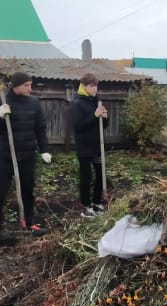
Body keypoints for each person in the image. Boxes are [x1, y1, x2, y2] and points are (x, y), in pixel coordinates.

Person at [0, 71, 52, 249]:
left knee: (28, 191)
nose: (30, 88)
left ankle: (29, 222)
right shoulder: (0, 101)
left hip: (26, 155)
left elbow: (40, 128)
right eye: (26, 85)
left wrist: (44, 150)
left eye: (30, 84)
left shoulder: (34, 103)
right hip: (4, 156)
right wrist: (0, 116)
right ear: (15, 86)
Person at [71, 73, 108, 218]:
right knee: (86, 177)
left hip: (97, 146)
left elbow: (103, 125)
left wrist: (105, 117)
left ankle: (97, 202)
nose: (95, 89)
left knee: (100, 174)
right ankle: (86, 206)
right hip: (84, 147)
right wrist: (94, 115)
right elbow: (78, 126)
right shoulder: (77, 104)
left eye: (96, 86)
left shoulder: (96, 101)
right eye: (92, 86)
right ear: (84, 86)